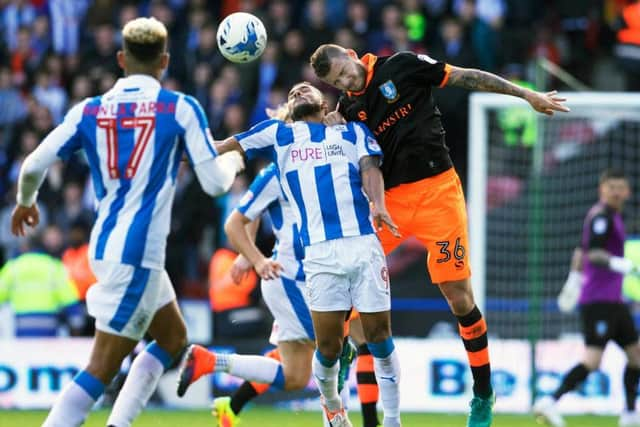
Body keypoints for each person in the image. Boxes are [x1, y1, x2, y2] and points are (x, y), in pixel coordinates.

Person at [309, 43, 571, 427]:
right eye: (336, 82)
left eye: (345, 72)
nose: (346, 81)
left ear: (351, 54)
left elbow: (464, 75)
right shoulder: (348, 110)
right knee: (349, 289)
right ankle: (347, 378)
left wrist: (525, 94)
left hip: (438, 194)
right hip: (392, 203)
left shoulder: (402, 66)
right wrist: (324, 126)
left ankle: (483, 394)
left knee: (459, 297)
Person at [10, 17, 244, 427]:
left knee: (173, 340)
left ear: (121, 58)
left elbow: (32, 164)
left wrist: (25, 202)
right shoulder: (180, 108)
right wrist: (236, 158)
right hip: (135, 256)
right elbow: (213, 184)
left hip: (111, 246)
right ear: (165, 61)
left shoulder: (89, 110)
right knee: (101, 368)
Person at [179, 81, 402, 427]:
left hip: (348, 254)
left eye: (305, 90)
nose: (297, 92)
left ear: (326, 106)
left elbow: (371, 165)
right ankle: (342, 416)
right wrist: (253, 257)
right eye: (292, 92)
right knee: (340, 348)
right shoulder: (279, 147)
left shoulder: (350, 135)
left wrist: (379, 205)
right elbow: (240, 208)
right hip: (298, 274)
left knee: (297, 373)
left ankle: (213, 366)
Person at [534, 169, 640, 427]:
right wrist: (618, 263)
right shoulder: (601, 216)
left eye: (619, 187)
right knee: (593, 360)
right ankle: (548, 402)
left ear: (627, 191)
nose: (615, 191)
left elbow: (579, 253)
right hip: (598, 301)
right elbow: (593, 252)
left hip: (613, 301)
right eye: (610, 186)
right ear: (601, 189)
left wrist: (574, 279)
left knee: (637, 355)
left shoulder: (613, 216)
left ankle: (628, 414)